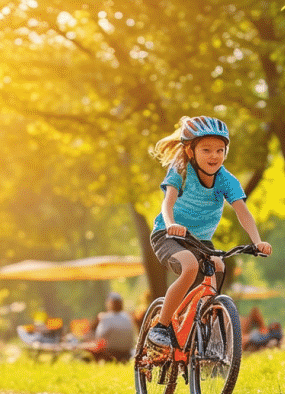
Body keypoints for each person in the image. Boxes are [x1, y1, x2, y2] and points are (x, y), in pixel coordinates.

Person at [145, 116, 272, 348]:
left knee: (220, 266)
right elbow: (167, 203)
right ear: (190, 151)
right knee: (191, 266)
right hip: (168, 235)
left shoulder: (226, 179)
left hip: (200, 241)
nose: (214, 156)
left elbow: (242, 212)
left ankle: (203, 325)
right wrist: (171, 223)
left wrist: (257, 241)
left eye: (219, 150)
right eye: (206, 150)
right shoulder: (181, 169)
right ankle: (160, 327)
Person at [89, 292, 136, 362]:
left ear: (110, 303)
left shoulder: (106, 318)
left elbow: (99, 336)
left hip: (111, 353)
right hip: (127, 352)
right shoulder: (128, 317)